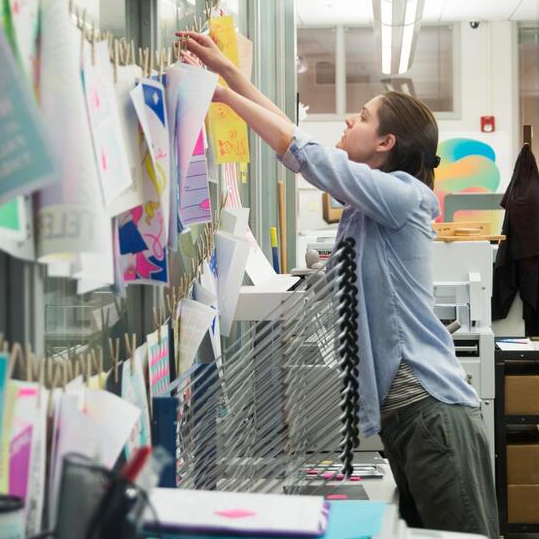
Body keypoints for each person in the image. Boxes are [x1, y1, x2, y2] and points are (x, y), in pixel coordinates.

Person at [177, 31, 500, 536]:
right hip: (408, 421)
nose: (349, 121)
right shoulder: (369, 202)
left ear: (386, 143)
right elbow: (295, 139)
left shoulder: (402, 195)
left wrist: (220, 94)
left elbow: (303, 151)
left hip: (432, 416)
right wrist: (229, 74)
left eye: (363, 117)